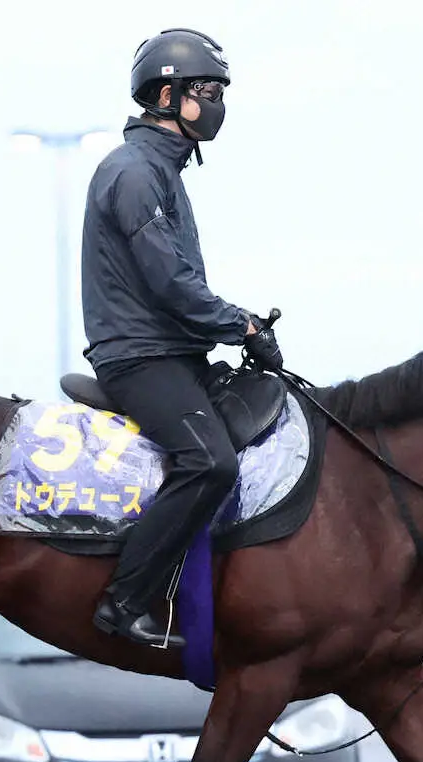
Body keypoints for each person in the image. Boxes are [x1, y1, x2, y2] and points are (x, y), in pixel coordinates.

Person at [78, 28, 283, 649]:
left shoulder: (163, 171)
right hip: (139, 358)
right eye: (207, 90)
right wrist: (242, 324)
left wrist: (234, 329)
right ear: (165, 94)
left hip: (173, 352)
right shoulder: (133, 173)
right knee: (209, 461)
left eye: (219, 91)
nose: (218, 102)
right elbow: (171, 285)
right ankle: (124, 600)